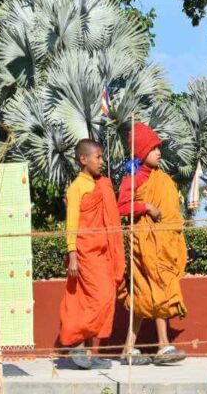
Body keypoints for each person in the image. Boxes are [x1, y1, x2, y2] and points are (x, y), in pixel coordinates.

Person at [118, 123, 188, 365]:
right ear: (141, 153)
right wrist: (146, 207)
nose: (159, 152)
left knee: (146, 295)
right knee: (150, 292)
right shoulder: (132, 179)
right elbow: (121, 206)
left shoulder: (163, 179)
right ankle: (163, 345)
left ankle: (129, 347)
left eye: (159, 148)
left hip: (163, 244)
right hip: (142, 245)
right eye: (153, 148)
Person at [59, 139, 124, 369]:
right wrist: (73, 254)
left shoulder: (103, 185)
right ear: (83, 159)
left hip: (102, 253)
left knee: (102, 298)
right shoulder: (76, 187)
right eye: (98, 157)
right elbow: (72, 223)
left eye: (102, 157)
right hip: (85, 253)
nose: (102, 162)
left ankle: (87, 350)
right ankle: (77, 344)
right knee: (96, 298)